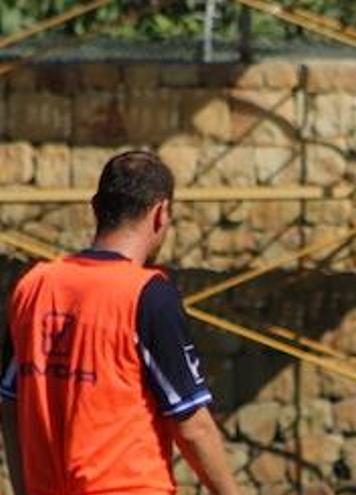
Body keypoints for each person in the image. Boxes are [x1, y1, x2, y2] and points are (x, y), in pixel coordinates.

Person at [0, 151, 240, 495]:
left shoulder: (32, 287)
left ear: (96, 208)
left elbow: (11, 403)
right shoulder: (148, 296)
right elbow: (192, 425)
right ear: (161, 214)